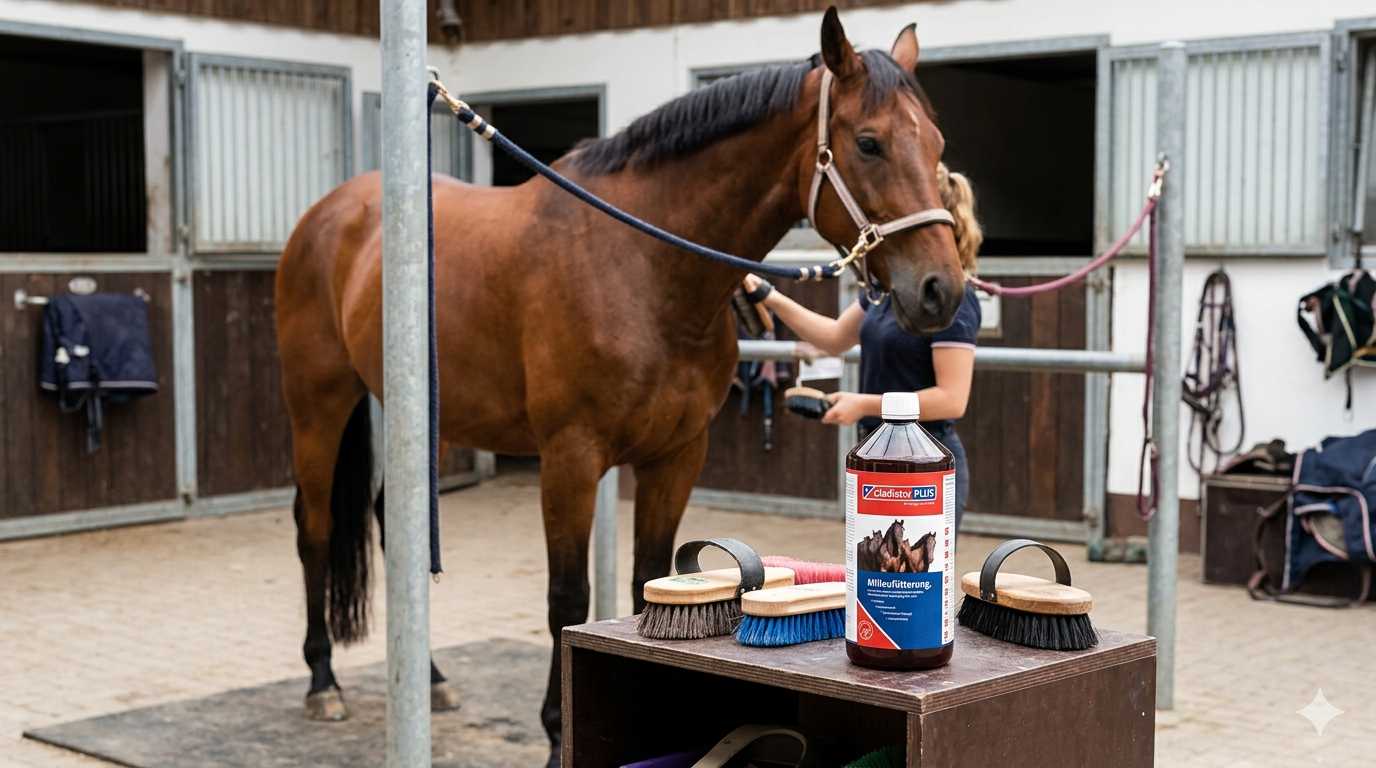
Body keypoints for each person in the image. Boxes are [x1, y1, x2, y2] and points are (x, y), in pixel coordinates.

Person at [743, 164, 982, 526]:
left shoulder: (953, 299)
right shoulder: (887, 290)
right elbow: (834, 338)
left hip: (925, 459)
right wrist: (769, 295)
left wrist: (863, 404)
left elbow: (952, 399)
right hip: (878, 453)